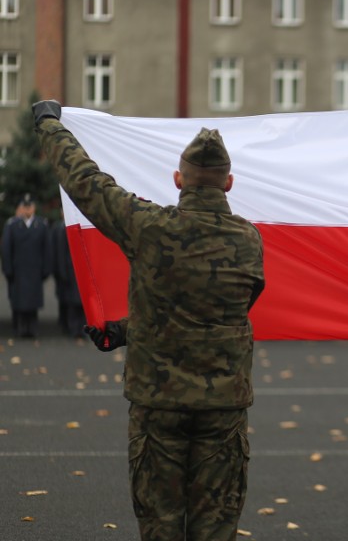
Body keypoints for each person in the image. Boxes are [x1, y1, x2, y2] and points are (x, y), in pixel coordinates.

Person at [33, 99, 265, 541]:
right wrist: (126, 331)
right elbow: (222, 312)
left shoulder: (151, 228)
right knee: (216, 529)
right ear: (229, 183)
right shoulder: (248, 241)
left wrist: (49, 124)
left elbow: (88, 184)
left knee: (159, 527)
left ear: (178, 180)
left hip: (158, 405)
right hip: (223, 409)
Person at [1, 194, 52, 338]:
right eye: (25, 207)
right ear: (21, 208)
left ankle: (33, 329)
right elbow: (6, 250)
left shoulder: (41, 225)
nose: (27, 209)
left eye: (30, 206)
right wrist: (8, 270)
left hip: (35, 271)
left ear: (34, 208)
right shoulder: (12, 225)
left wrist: (45, 270)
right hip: (18, 271)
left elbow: (47, 250)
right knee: (20, 303)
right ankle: (21, 329)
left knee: (33, 304)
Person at [52, 213, 86, 338]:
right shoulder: (64, 229)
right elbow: (61, 253)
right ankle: (73, 328)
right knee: (72, 302)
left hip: (82, 271)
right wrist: (62, 272)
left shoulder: (83, 227)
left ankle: (82, 329)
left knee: (82, 302)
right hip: (70, 270)